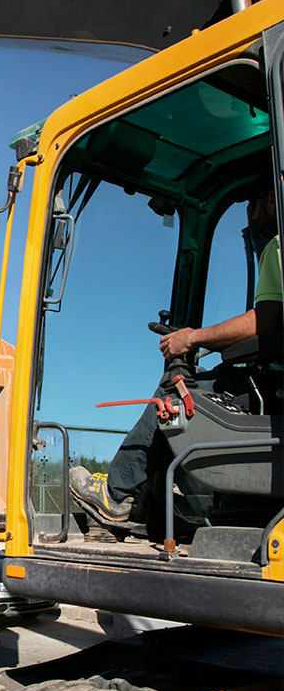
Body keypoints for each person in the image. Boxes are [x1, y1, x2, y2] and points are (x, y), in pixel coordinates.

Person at [70, 184, 282, 526]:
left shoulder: (278, 245)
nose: (253, 217)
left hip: (274, 384)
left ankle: (116, 493)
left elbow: (267, 319)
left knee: (175, 393)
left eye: (254, 206)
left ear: (273, 198)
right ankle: (166, 496)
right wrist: (212, 343)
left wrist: (193, 338)